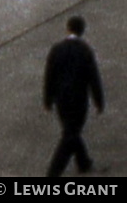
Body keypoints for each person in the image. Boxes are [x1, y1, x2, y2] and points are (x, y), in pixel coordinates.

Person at [44, 15, 105, 177]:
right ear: (82, 31)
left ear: (67, 28)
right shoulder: (85, 50)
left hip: (61, 100)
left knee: (71, 130)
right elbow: (94, 78)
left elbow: (49, 75)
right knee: (70, 134)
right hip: (78, 99)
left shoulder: (56, 49)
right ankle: (53, 173)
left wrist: (48, 98)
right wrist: (99, 101)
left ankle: (84, 162)